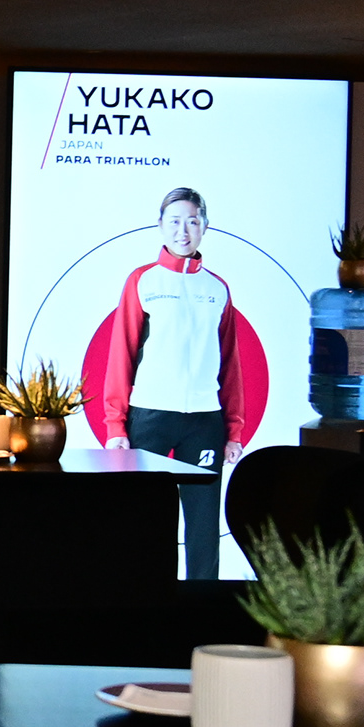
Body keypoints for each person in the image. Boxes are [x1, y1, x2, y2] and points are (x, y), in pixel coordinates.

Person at [91, 185, 240, 578]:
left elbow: (230, 365)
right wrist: (115, 427)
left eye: (192, 221)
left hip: (204, 421)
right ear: (160, 225)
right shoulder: (143, 281)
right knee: (145, 517)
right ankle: (145, 601)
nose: (183, 231)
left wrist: (234, 431)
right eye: (174, 221)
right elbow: (121, 355)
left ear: (205, 226)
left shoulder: (217, 289)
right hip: (150, 417)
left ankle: (200, 606)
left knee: (204, 524)